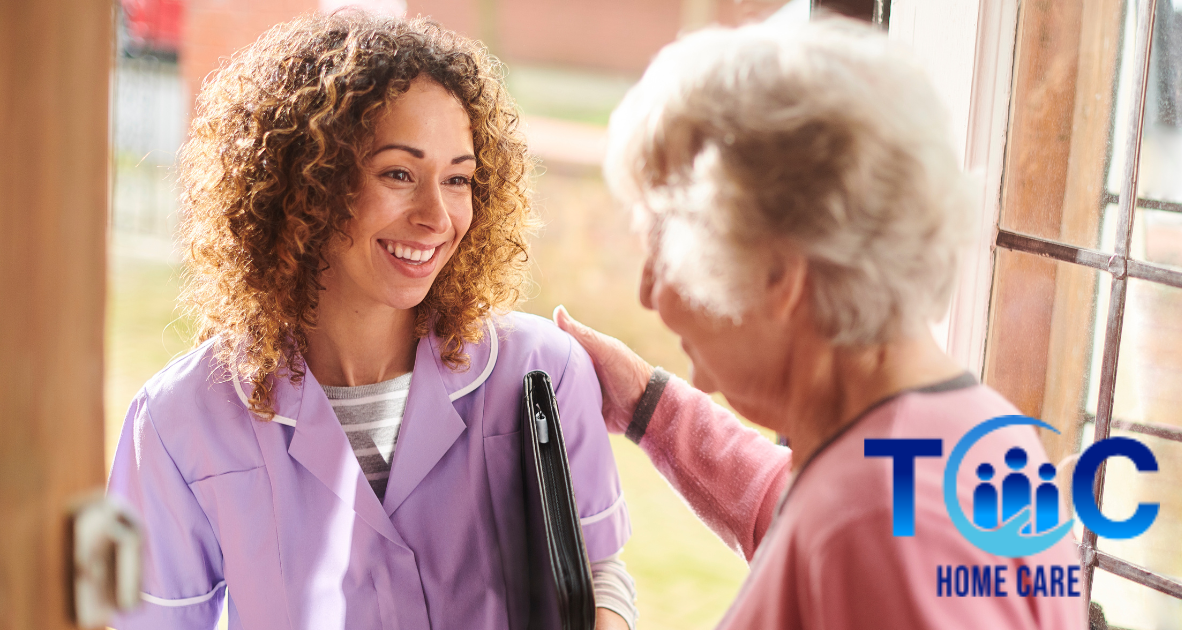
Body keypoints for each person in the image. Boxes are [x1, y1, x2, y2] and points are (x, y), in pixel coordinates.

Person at [552, 16, 1085, 630]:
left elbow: (855, 538)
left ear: (780, 275)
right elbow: (810, 522)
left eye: (662, 242)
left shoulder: (875, 531)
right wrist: (649, 405)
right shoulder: (961, 432)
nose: (647, 292)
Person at [107, 12, 635, 630]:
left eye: (459, 179)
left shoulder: (540, 373)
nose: (438, 216)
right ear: (306, 183)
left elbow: (600, 573)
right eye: (398, 174)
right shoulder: (181, 420)